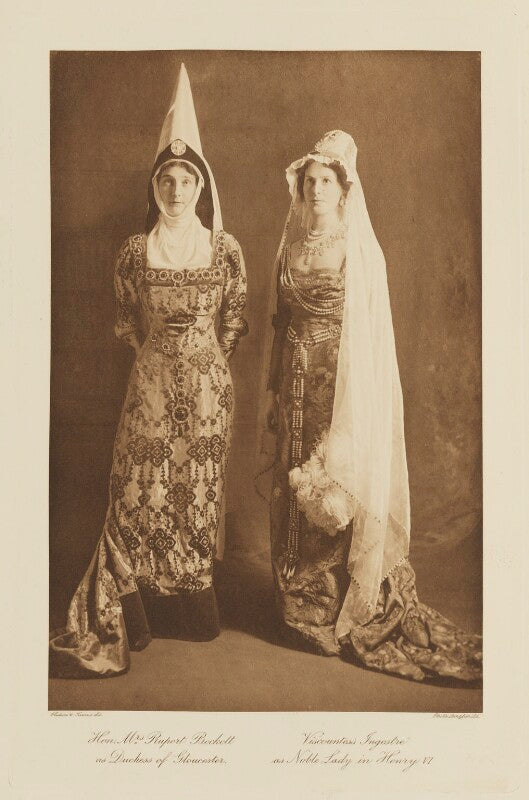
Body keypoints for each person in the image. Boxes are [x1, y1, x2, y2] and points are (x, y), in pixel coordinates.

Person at [260, 130, 481, 682]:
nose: (315, 189)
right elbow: (278, 324)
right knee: (293, 485)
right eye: (308, 181)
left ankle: (333, 601)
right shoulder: (289, 245)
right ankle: (296, 599)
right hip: (292, 381)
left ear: (343, 189)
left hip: (338, 386)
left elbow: (372, 338)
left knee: (332, 484)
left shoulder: (359, 251)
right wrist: (271, 391)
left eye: (325, 181)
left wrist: (355, 406)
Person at [50, 64, 248, 678]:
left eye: (187, 179)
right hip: (151, 390)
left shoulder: (225, 249)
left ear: (201, 186)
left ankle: (189, 599)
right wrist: (157, 359)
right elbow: (124, 320)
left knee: (197, 494)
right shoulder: (137, 251)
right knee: (141, 490)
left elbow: (234, 319)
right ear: (155, 186)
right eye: (167, 178)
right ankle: (138, 602)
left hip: (210, 392)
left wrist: (204, 366)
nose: (177, 189)